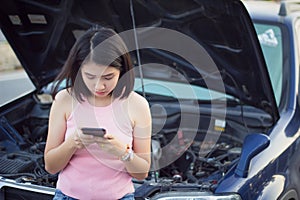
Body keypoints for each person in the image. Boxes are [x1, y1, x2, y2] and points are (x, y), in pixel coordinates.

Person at [44, 25, 152, 200]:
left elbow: (142, 173)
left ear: (122, 70)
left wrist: (122, 152)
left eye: (108, 77)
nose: (99, 86)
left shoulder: (137, 105)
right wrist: (73, 142)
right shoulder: (64, 100)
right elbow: (50, 166)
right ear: (79, 70)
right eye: (90, 76)